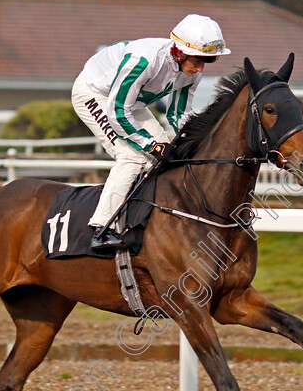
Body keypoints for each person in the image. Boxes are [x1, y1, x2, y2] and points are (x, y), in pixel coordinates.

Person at [72, 14, 231, 250]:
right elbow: (117, 111)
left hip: (131, 103)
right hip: (95, 94)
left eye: (209, 60)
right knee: (133, 156)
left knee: (166, 154)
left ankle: (143, 217)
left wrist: (197, 143)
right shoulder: (144, 60)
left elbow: (178, 116)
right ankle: (101, 228)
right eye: (198, 59)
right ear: (180, 52)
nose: (200, 67)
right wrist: (150, 145)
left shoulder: (192, 73)